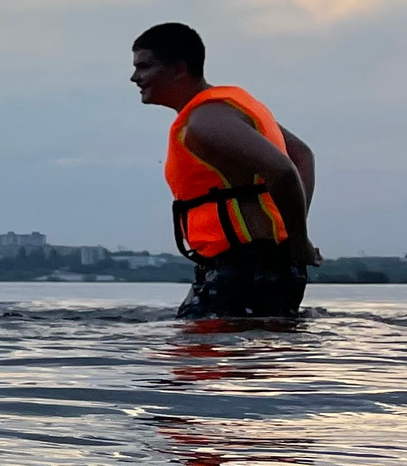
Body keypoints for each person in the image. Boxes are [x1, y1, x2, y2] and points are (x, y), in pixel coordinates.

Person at [131, 23, 320, 319]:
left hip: (247, 267)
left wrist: (297, 240)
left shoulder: (206, 121)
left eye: (144, 66)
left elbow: (283, 170)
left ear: (180, 69)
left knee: (211, 356)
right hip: (256, 264)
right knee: (251, 357)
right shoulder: (226, 108)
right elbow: (301, 156)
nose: (135, 77)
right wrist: (291, 241)